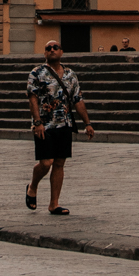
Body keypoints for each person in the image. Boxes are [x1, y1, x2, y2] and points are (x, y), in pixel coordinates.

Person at [25, 39, 95, 215]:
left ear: (61, 52)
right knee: (46, 162)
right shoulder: (37, 73)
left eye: (55, 47)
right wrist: (37, 122)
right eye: (48, 48)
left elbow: (77, 99)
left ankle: (54, 204)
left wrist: (87, 123)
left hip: (64, 123)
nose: (52, 50)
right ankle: (32, 186)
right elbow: (32, 98)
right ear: (45, 53)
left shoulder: (70, 75)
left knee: (59, 163)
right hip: (45, 124)